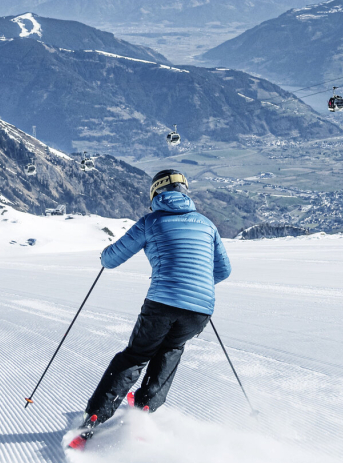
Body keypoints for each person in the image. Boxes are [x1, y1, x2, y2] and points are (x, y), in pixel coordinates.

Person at [75, 170, 231, 436]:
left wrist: (103, 256)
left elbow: (111, 260)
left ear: (156, 193)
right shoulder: (207, 224)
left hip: (162, 302)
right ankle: (146, 405)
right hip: (200, 309)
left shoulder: (151, 222)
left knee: (136, 356)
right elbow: (223, 270)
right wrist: (195, 285)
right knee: (172, 348)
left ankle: (95, 417)